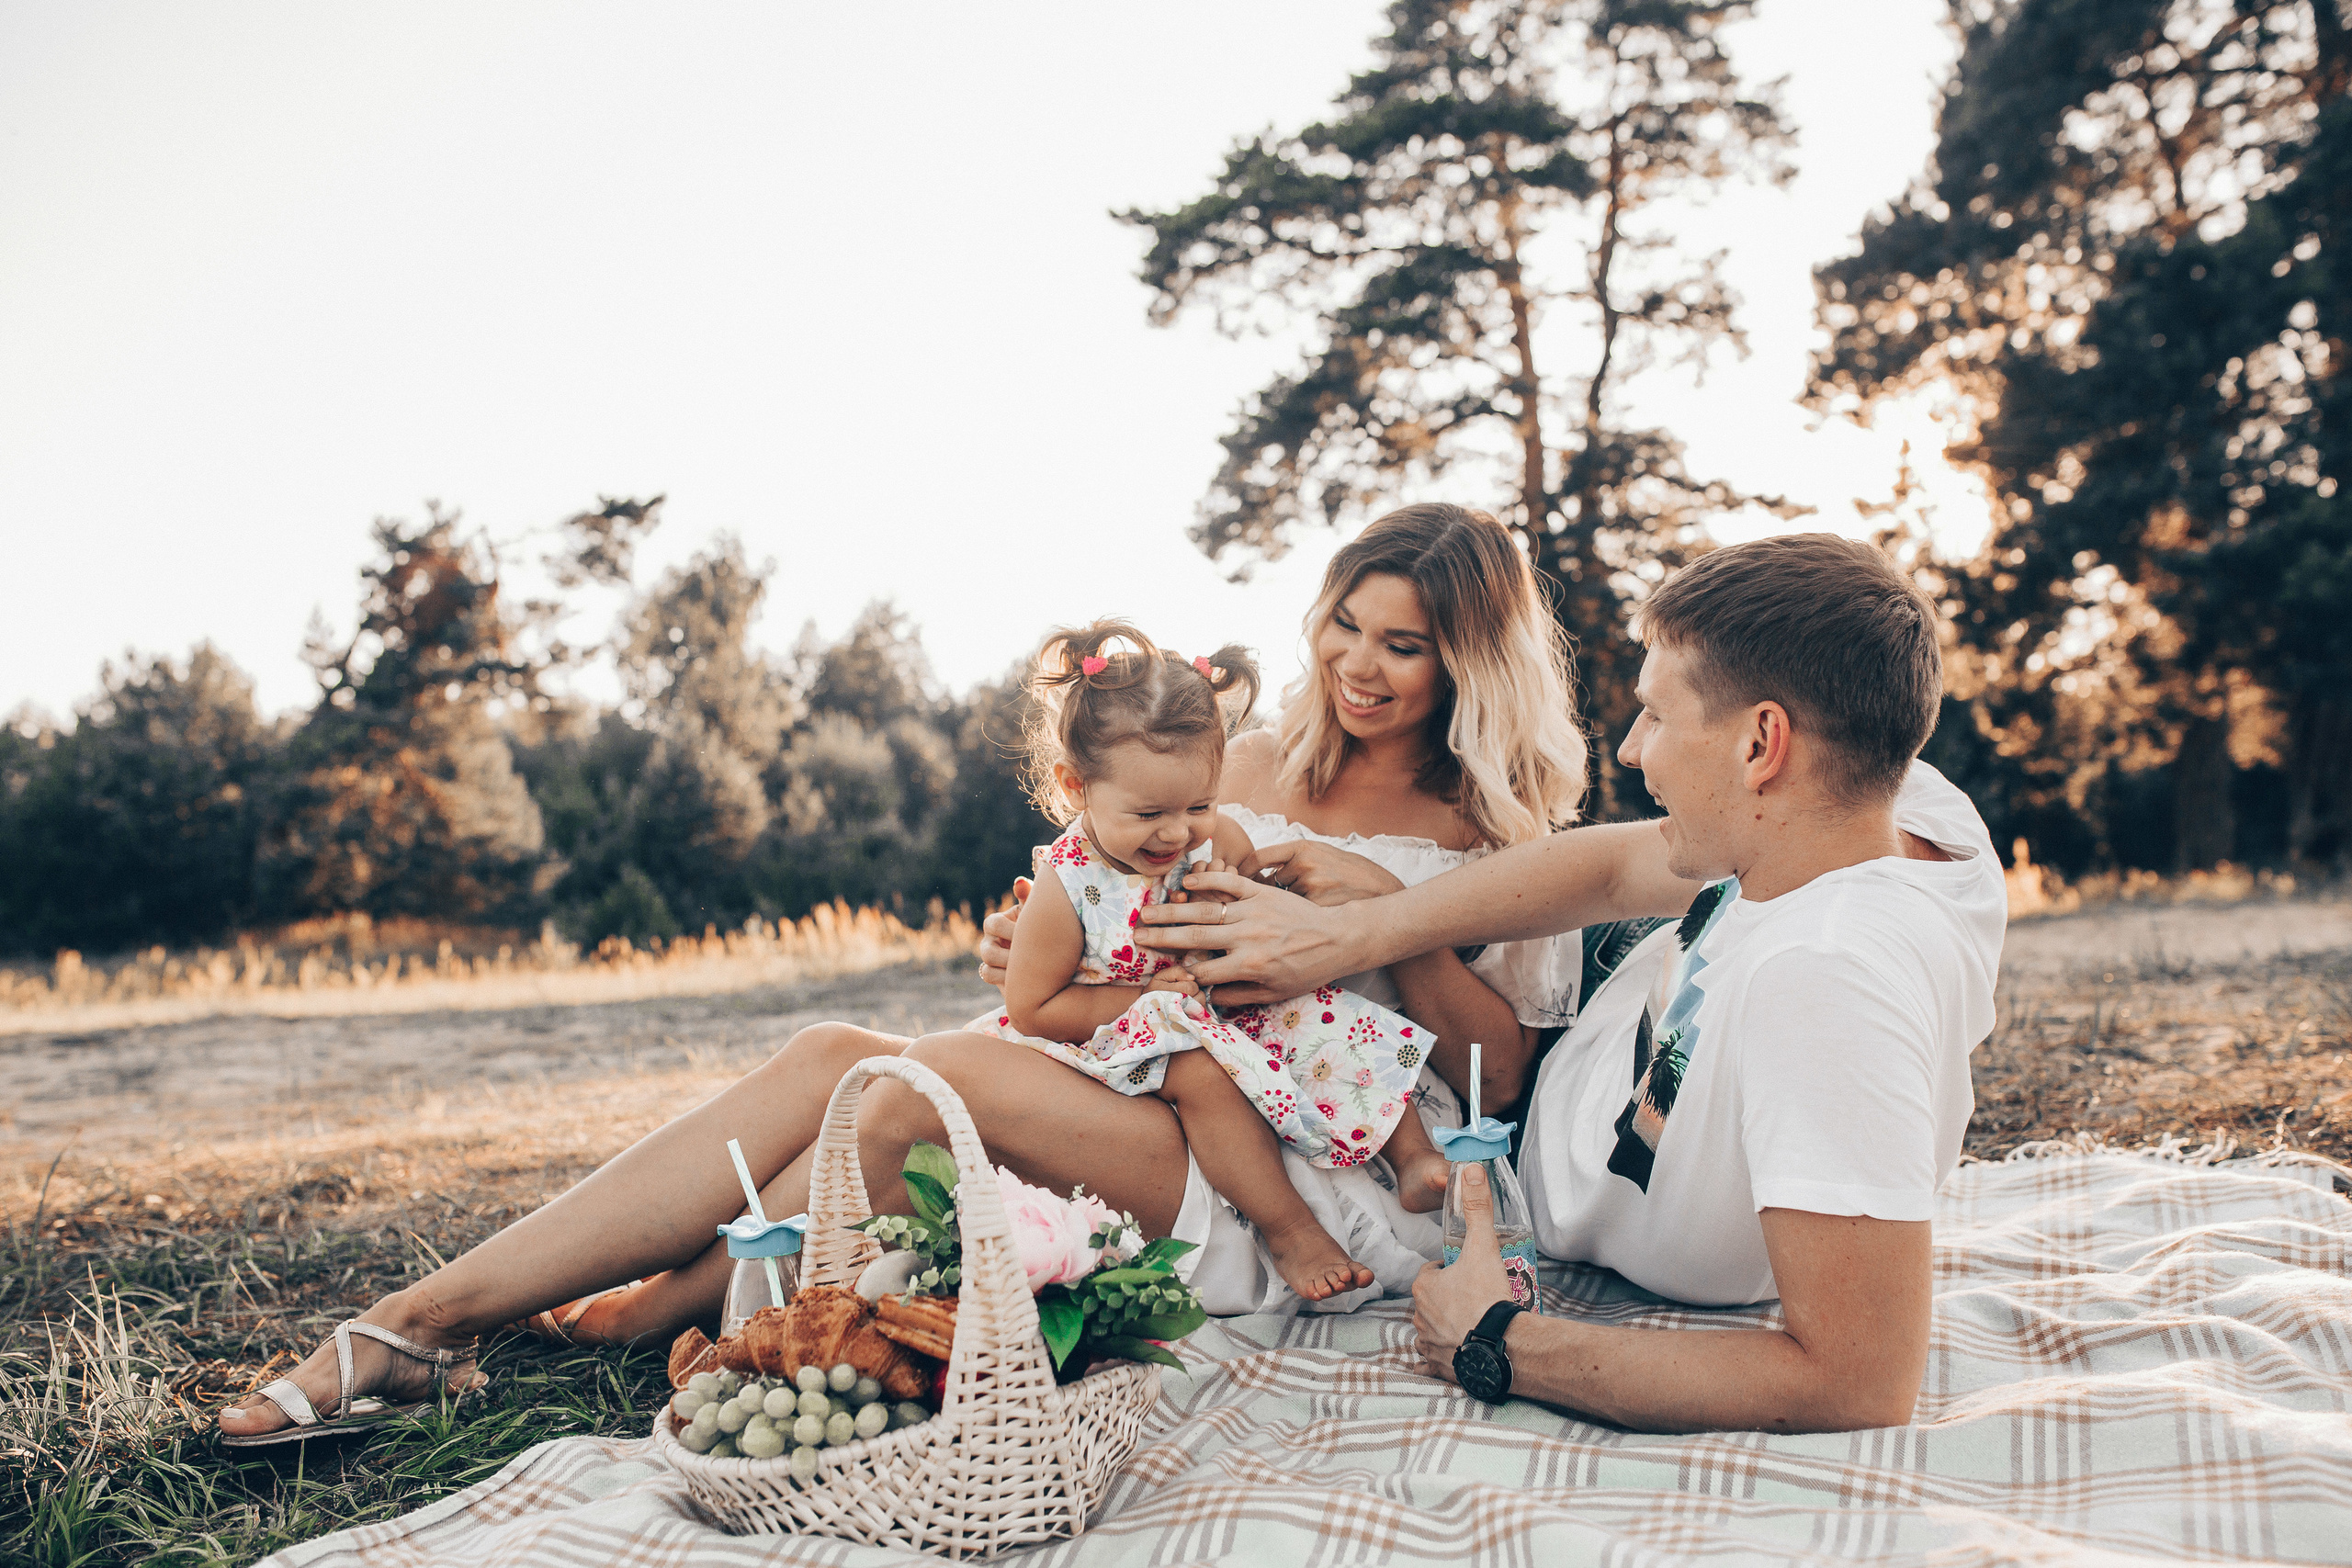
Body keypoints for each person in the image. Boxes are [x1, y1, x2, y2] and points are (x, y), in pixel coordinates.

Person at [215, 501, 1591, 1443]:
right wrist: (1027, 944)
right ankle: (426, 1317)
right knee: (832, 1050)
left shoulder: (1501, 836)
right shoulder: (1232, 766)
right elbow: (1087, 897)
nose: (1358, 663)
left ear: (1466, 659)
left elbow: (1507, 1076)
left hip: (1323, 1162)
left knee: (888, 1100)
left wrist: (1385, 920)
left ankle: (645, 1307)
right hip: (1142, 1067)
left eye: (1402, 644)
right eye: (1346, 624)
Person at [1137, 534, 2006, 1432]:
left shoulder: (1828, 986)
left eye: (1659, 719)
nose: (1631, 752)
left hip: (1512, 1150)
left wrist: (1496, 1340)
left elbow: (1855, 1385)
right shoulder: (1891, 802)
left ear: (1760, 742)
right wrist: (1364, 925)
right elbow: (1609, 869)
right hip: (1601, 1019)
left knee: (1103, 1090)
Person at [967, 618, 1451, 1303]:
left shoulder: (1210, 835)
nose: (1177, 831)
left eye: (1199, 802)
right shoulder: (1067, 885)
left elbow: (1246, 885)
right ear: (1076, 787)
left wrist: (1247, 897)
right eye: (1149, 812)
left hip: (1218, 1001)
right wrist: (1149, 999)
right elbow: (1033, 1006)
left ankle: (1413, 1154)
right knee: (1202, 1077)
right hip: (1119, 1029)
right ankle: (1288, 1228)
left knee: (1331, 1009)